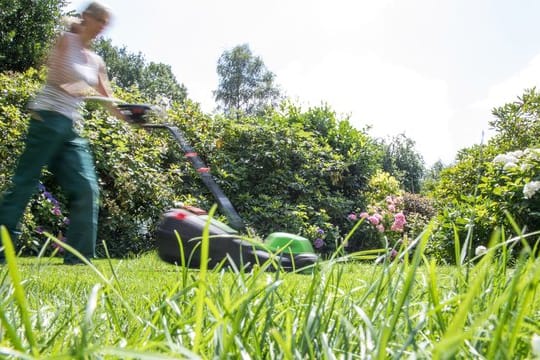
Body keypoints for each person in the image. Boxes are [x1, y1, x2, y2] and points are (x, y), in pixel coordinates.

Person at [0, 1, 125, 265]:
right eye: (100, 20)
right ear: (86, 18)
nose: (103, 26)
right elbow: (57, 77)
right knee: (24, 182)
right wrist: (86, 92)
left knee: (86, 188)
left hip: (70, 127)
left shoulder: (97, 60)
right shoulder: (65, 41)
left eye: (106, 23)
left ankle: (79, 258)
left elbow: (108, 97)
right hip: (46, 118)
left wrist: (130, 116)